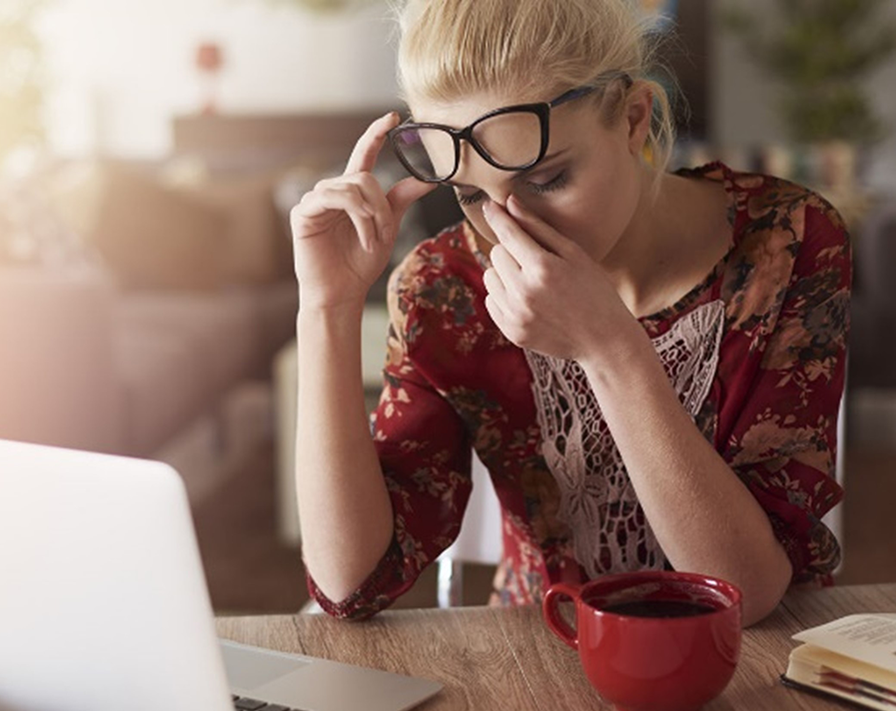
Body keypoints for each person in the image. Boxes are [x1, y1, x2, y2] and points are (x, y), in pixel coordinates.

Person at [290, 0, 850, 627]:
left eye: (547, 179)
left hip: (757, 666)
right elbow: (350, 583)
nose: (510, 231)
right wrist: (326, 308)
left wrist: (611, 348)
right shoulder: (445, 288)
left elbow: (745, 593)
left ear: (635, 118)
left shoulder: (787, 242)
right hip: (543, 652)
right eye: (472, 195)